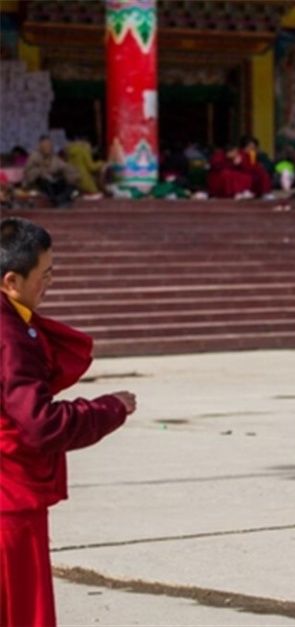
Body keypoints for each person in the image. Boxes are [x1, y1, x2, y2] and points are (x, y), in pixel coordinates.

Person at [0, 217, 137, 627]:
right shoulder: (8, 336)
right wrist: (110, 409)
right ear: (11, 280)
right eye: (45, 274)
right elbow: (41, 424)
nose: (49, 283)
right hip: (9, 502)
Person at [23, 136, 79, 208]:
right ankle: (58, 200)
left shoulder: (53, 157)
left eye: (49, 145)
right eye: (45, 146)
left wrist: (73, 174)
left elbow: (64, 167)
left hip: (53, 182)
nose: (48, 148)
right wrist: (40, 171)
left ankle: (60, 200)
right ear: (40, 146)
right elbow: (28, 173)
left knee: (70, 185)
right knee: (45, 182)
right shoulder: (34, 157)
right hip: (39, 184)